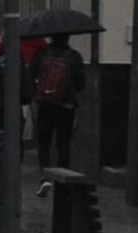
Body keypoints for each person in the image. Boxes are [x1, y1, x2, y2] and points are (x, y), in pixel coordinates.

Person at [29, 34, 85, 169]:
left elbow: (31, 77)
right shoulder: (74, 56)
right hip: (66, 106)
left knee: (44, 143)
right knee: (64, 143)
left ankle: (44, 174)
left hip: (45, 104)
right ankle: (63, 178)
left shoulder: (41, 54)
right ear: (68, 38)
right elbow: (80, 85)